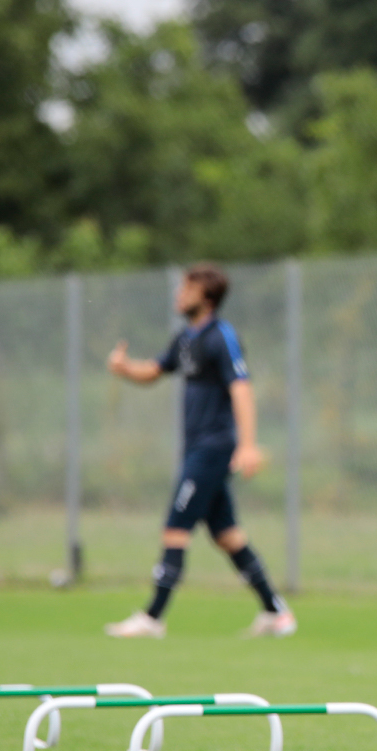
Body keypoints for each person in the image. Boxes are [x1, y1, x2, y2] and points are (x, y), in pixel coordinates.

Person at [103, 263, 296, 639]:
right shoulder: (185, 339)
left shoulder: (221, 336)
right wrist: (124, 368)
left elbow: (241, 387)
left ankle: (152, 618)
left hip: (213, 448)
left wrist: (248, 445)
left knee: (176, 528)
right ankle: (276, 613)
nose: (179, 294)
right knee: (227, 535)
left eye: (187, 288)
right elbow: (155, 370)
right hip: (197, 448)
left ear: (206, 297)